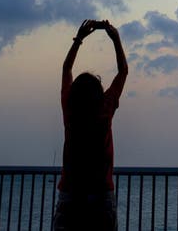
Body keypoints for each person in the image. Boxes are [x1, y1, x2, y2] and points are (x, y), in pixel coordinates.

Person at [53, 19, 128, 231]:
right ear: (98, 92)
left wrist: (79, 39)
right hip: (101, 194)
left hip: (70, 194)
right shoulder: (104, 109)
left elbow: (66, 68)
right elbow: (123, 71)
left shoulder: (70, 109)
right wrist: (115, 38)